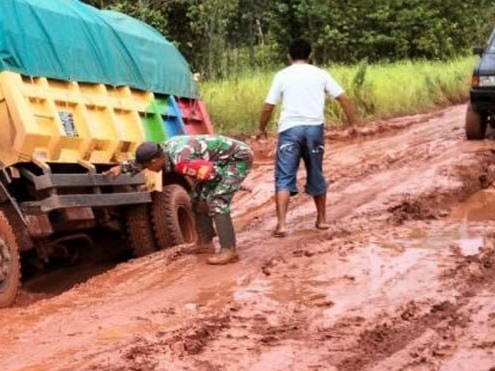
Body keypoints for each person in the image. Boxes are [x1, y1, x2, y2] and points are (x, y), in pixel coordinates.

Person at [256, 39, 358, 237]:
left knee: (284, 176)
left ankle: (282, 225)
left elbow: (268, 106)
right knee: (316, 172)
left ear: (289, 56)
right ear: (310, 55)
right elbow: (343, 98)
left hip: (290, 130)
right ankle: (322, 220)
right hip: (314, 130)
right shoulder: (320, 74)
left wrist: (261, 129)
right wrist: (354, 123)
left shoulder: (282, 75)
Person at [129, 134, 254, 265]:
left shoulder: (182, 161)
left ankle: (229, 250)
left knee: (217, 200)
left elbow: (214, 176)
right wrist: (122, 168)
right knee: (197, 199)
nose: (148, 170)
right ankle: (204, 243)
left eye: (147, 167)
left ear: (154, 161)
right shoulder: (162, 150)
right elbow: (141, 162)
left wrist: (230, 186)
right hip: (217, 162)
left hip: (237, 158)